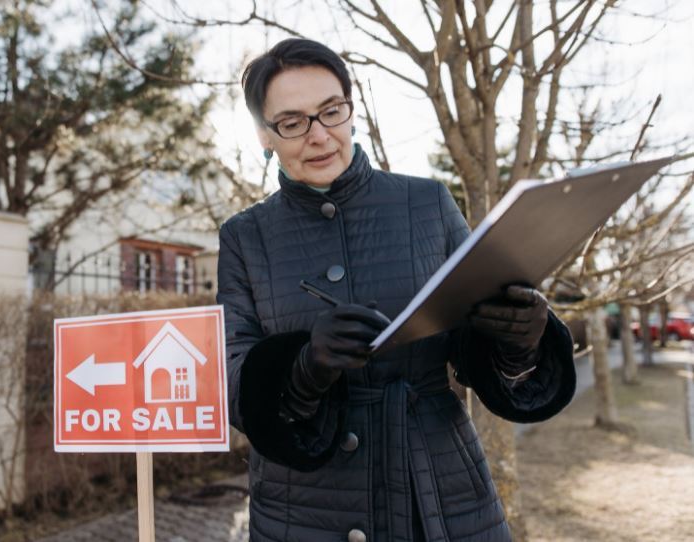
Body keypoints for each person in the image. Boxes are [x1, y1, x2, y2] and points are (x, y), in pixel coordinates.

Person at [216, 38, 576, 542]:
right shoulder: (244, 236)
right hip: (301, 510)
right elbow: (229, 374)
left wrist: (520, 337)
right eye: (293, 122)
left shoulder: (426, 203)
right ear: (263, 134)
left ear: (351, 111)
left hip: (437, 494)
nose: (319, 136)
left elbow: (472, 354)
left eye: (331, 112)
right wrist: (301, 369)